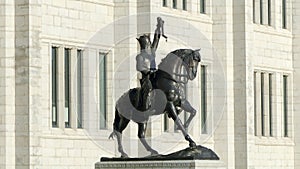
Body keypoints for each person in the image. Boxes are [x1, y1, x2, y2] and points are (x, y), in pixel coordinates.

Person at [136, 17, 167, 110]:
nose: (149, 46)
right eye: (148, 45)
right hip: (146, 78)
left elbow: (156, 39)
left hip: (154, 75)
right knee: (148, 88)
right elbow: (140, 68)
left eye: (149, 44)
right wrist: (149, 71)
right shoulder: (140, 57)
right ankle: (144, 107)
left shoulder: (151, 52)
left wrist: (158, 26)